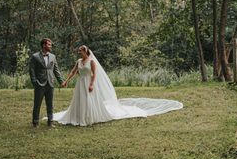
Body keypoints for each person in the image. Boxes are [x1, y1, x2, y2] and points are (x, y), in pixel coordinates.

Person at [54, 45, 183, 126]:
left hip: (88, 82)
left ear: (86, 52)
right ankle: (77, 116)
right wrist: (66, 81)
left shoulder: (91, 61)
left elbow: (94, 74)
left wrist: (92, 84)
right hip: (80, 83)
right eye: (78, 51)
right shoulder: (78, 61)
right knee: (79, 100)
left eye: (80, 51)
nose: (78, 52)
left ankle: (88, 117)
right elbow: (73, 71)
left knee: (89, 100)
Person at [29, 38, 65, 127]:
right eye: (49, 44)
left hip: (50, 83)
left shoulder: (53, 56)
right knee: (37, 104)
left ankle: (50, 121)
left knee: (50, 104)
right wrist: (34, 82)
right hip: (39, 84)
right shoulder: (35, 56)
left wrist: (61, 81)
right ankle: (35, 122)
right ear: (44, 45)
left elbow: (56, 70)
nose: (50, 46)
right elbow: (31, 70)